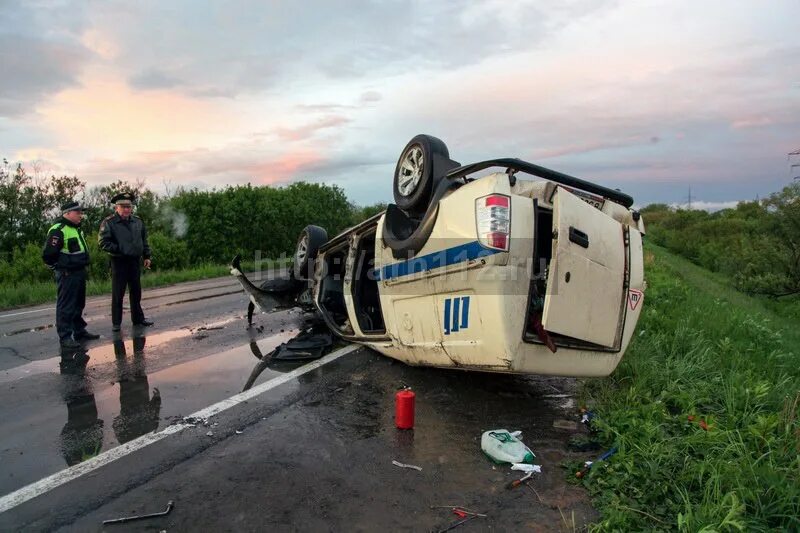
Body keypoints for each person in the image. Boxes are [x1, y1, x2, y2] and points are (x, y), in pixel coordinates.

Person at [42, 201, 100, 349]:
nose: (81, 215)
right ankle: (65, 337)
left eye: (81, 212)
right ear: (67, 213)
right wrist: (59, 268)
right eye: (78, 212)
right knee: (66, 306)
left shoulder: (75, 229)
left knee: (78, 304)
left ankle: (79, 331)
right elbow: (48, 255)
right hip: (67, 274)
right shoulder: (58, 230)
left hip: (79, 272)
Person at [98, 192, 154, 331]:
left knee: (136, 292)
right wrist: (120, 249)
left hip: (134, 261)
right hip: (119, 261)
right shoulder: (109, 222)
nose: (127, 209)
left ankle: (138, 319)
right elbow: (103, 242)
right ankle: (116, 323)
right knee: (118, 293)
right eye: (123, 207)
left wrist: (147, 256)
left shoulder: (137, 221)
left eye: (129, 207)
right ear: (116, 208)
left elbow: (144, 240)